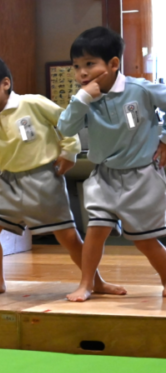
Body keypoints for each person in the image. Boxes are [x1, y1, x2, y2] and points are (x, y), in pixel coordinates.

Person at [0, 55, 123, 297]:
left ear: (5, 83)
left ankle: (96, 281)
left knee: (68, 237)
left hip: (43, 179)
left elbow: (65, 123)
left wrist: (70, 151)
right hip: (9, 183)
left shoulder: (32, 103)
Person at [58, 26, 166, 302]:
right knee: (95, 231)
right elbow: (66, 128)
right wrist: (82, 98)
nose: (81, 72)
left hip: (140, 177)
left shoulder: (139, 89)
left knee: (144, 240)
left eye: (89, 64)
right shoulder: (84, 98)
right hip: (104, 176)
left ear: (113, 63)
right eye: (76, 66)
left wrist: (165, 138)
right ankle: (87, 284)